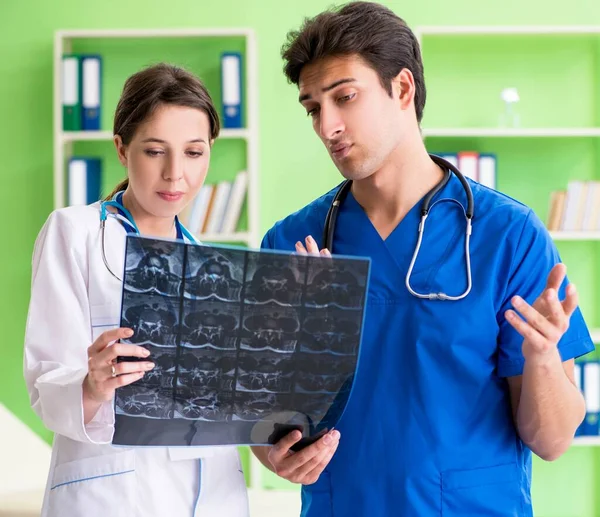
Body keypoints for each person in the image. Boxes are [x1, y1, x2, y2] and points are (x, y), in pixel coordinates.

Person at [251, 2, 595, 516]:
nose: (328, 126)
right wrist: (274, 454)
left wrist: (544, 361)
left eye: (345, 97)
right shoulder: (292, 241)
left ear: (403, 89)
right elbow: (262, 418)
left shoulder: (506, 236)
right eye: (312, 108)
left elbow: (551, 441)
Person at [23, 63, 248, 517]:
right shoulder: (76, 232)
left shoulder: (213, 260)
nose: (175, 174)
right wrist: (92, 384)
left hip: (216, 492)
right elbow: (47, 380)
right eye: (154, 151)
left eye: (193, 152)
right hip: (114, 494)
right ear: (122, 149)